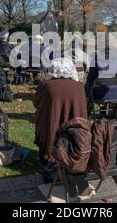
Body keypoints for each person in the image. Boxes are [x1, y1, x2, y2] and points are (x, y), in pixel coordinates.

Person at [33, 58, 90, 198]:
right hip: (77, 135)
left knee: (44, 121)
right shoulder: (79, 86)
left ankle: (51, 172)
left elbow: (36, 103)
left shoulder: (46, 86)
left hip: (54, 131)